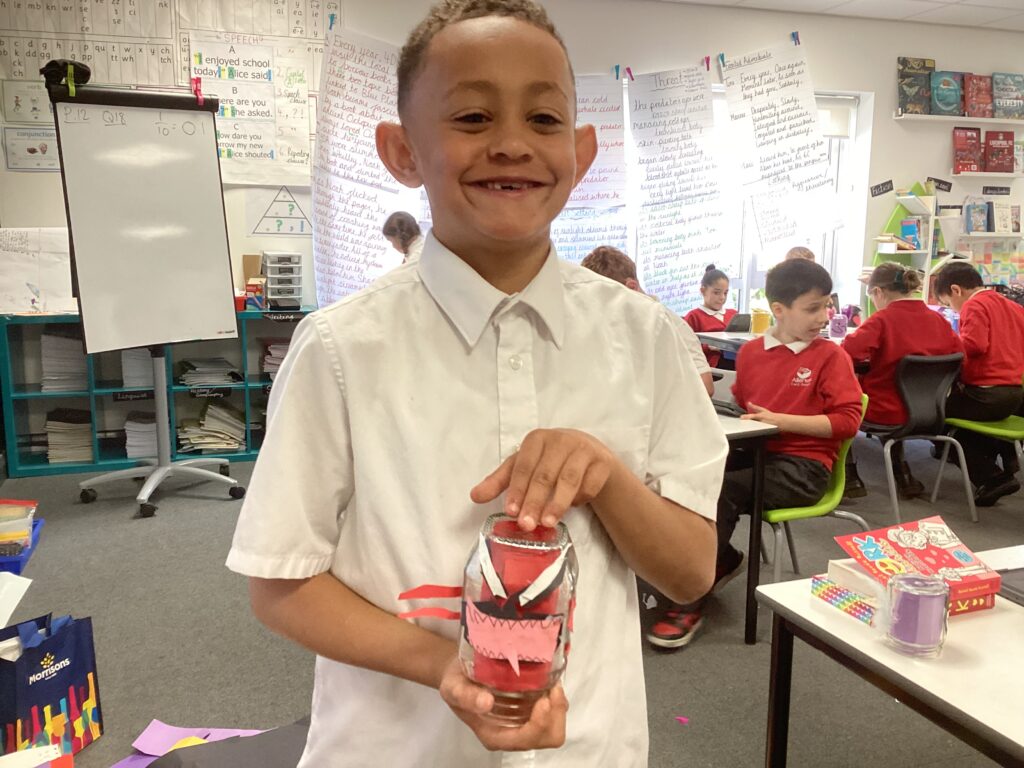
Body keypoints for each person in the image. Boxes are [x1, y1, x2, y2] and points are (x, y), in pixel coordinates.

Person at [227, 3, 727, 766]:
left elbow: (690, 573)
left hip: (589, 748)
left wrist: (606, 476)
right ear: (402, 151)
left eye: (544, 118)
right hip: (396, 750)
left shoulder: (645, 336)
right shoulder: (341, 349)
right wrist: (446, 665)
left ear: (581, 151)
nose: (512, 144)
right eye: (471, 116)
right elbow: (281, 584)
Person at [647, 259, 862, 649]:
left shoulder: (830, 357)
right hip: (757, 454)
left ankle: (688, 596)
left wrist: (780, 421)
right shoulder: (751, 354)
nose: (824, 317)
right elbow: (744, 406)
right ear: (779, 309)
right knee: (684, 475)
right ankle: (715, 560)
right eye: (813, 308)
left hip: (805, 468)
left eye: (827, 306)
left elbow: (848, 421)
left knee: (722, 491)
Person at [841, 263, 963, 498]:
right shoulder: (938, 320)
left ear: (878, 292)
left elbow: (846, 352)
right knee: (892, 394)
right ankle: (903, 475)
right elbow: (959, 355)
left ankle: (849, 477)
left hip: (885, 411)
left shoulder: (882, 320)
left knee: (840, 404)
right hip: (933, 412)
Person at [934, 262, 1024, 506]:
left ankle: (992, 478)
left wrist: (947, 342)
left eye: (948, 304)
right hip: (1014, 394)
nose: (952, 310)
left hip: (986, 394)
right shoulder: (1013, 306)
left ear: (956, 290)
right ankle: (1006, 457)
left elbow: (974, 345)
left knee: (933, 414)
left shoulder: (974, 305)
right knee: (966, 426)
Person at [581, 245, 714, 395]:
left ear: (631, 287)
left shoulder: (672, 325)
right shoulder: (604, 327)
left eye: (605, 301)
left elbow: (705, 387)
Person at [683, 264, 737, 369]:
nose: (722, 297)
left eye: (725, 293)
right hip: (713, 367)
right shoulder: (694, 317)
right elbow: (685, 348)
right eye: (716, 293)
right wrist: (709, 347)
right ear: (703, 291)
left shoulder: (734, 314)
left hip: (737, 362)